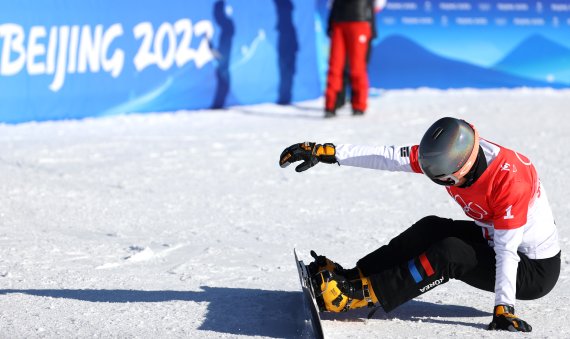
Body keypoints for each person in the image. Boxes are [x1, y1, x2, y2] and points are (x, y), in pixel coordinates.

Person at [279, 117, 560, 332]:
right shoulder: (457, 150)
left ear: (454, 174)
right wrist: (329, 152)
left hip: (533, 269)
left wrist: (503, 308)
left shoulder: (510, 182)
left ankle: (360, 296)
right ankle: (355, 278)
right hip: (494, 236)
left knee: (450, 253)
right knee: (431, 228)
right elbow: (390, 156)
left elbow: (507, 251)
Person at [324, 0, 376, 118]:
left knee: (357, 67)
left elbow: (374, 4)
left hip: (359, 21)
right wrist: (330, 22)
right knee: (334, 66)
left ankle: (359, 105)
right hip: (338, 23)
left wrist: (372, 26)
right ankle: (330, 105)